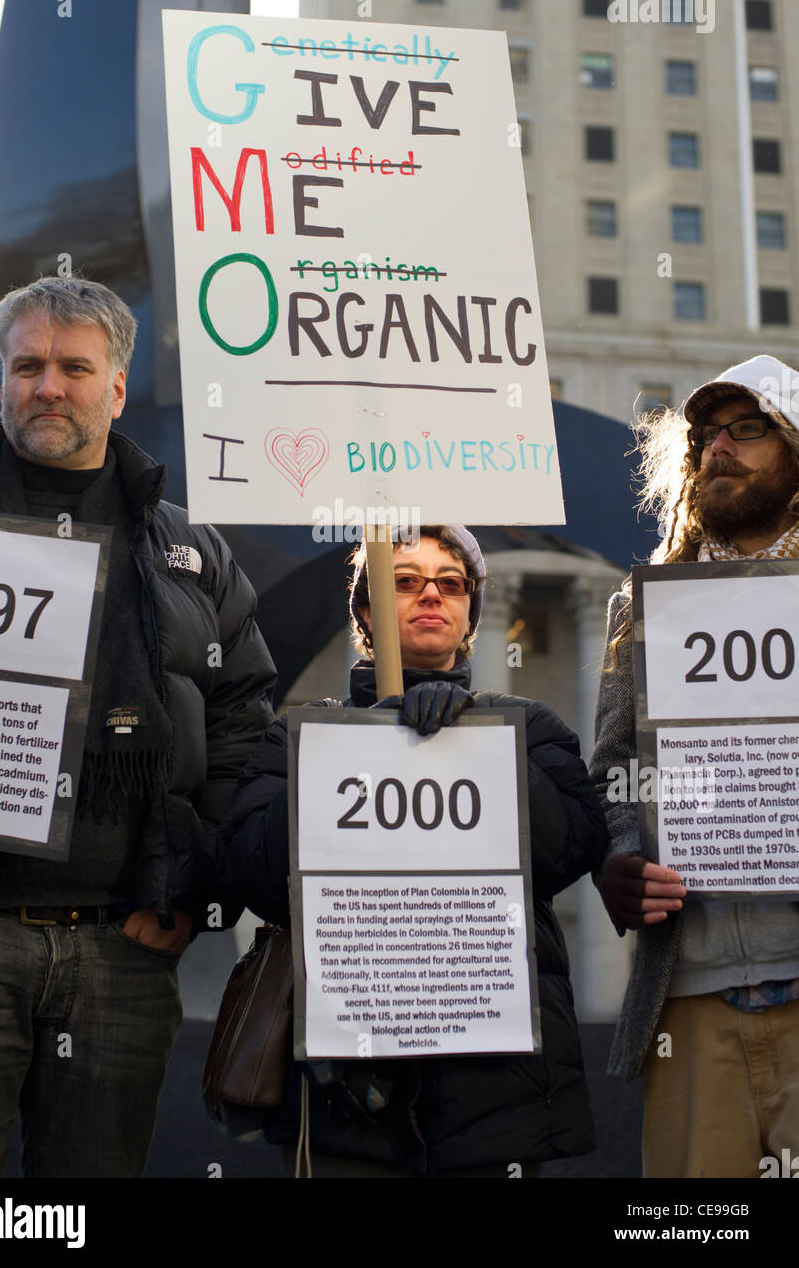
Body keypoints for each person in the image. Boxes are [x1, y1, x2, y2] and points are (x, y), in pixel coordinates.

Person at [0, 276, 276, 1177]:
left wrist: (196, 879)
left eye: (74, 368)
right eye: (28, 366)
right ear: (1, 379)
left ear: (116, 388)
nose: (48, 386)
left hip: (124, 944)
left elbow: (245, 724)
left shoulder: (191, 549)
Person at [219, 524, 607, 1177]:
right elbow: (250, 874)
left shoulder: (530, 727)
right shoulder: (296, 736)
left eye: (450, 584)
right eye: (403, 582)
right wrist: (354, 747)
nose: (430, 594)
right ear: (365, 613)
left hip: (492, 1088)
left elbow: (569, 850)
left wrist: (468, 741)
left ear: (467, 617)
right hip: (344, 1091)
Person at [590, 354, 799, 1178]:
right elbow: (610, 771)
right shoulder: (644, 608)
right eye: (708, 434)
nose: (720, 447)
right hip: (690, 996)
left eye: (748, 429)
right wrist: (618, 856)